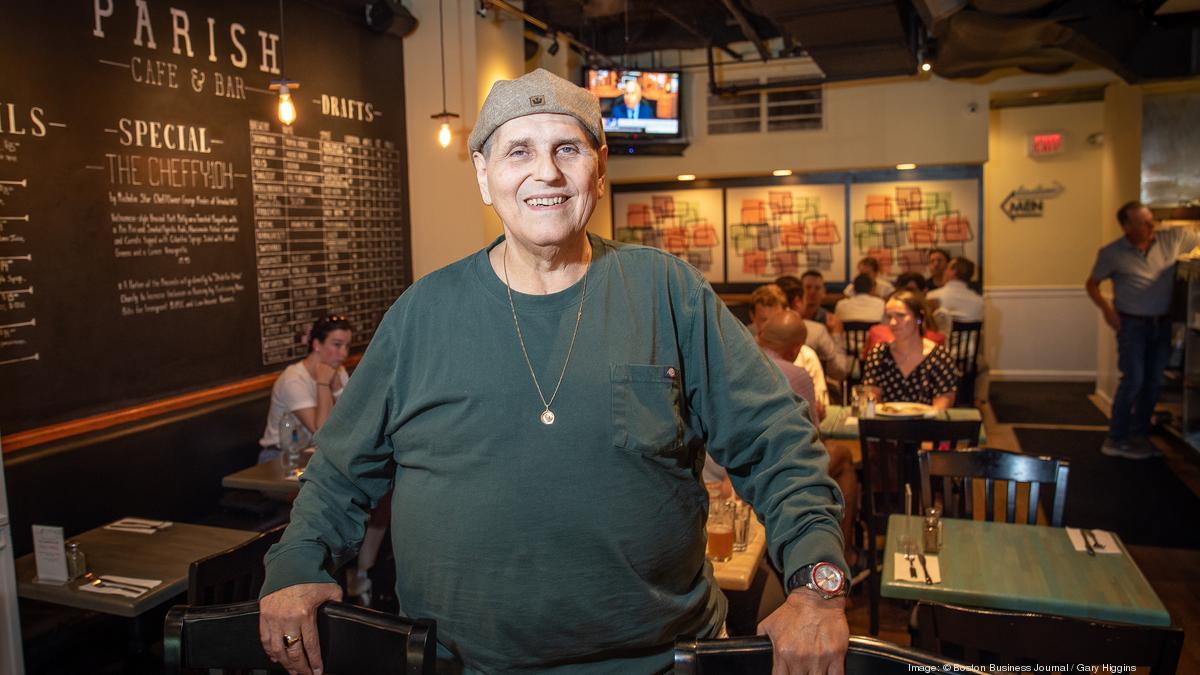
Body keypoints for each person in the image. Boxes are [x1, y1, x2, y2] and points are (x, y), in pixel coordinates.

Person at [258, 69, 849, 675]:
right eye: (519, 151)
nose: (546, 172)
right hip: (458, 666)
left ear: (599, 167)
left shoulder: (667, 292)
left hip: (663, 662)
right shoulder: (421, 314)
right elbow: (337, 472)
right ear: (484, 176)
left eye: (567, 148)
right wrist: (295, 567)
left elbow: (777, 443)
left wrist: (817, 583)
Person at [1087, 201, 1200, 459]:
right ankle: (1115, 437)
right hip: (1131, 324)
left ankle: (1139, 436)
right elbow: (1092, 284)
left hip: (1161, 324)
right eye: (1142, 222)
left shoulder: (1172, 238)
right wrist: (1107, 310)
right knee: (1134, 379)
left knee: (1153, 382)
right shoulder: (1112, 252)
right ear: (1127, 226)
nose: (1150, 226)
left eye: (1151, 220)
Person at [257, 315, 353, 464]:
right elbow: (321, 431)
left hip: (312, 453)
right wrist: (322, 383)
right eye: (337, 345)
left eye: (347, 346)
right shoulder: (293, 379)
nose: (344, 354)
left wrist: (337, 389)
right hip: (278, 457)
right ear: (316, 344)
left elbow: (351, 420)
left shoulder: (339, 370)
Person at [862, 290, 959, 409]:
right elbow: (871, 403)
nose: (893, 322)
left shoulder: (940, 357)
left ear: (919, 318)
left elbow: (941, 408)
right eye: (889, 317)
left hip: (927, 425)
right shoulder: (879, 354)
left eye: (900, 315)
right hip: (887, 424)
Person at [928, 257, 984, 334]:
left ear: (953, 272)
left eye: (947, 268)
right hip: (972, 345)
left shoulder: (933, 296)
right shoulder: (980, 301)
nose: (944, 271)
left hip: (942, 344)